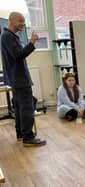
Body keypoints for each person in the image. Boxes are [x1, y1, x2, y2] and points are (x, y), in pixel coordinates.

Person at [0, 12, 46, 146]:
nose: (23, 24)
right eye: (20, 21)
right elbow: (18, 55)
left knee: (20, 107)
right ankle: (28, 137)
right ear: (12, 20)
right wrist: (31, 44)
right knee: (27, 107)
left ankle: (21, 133)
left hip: (16, 79)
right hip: (19, 79)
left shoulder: (9, 36)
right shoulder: (8, 36)